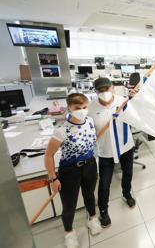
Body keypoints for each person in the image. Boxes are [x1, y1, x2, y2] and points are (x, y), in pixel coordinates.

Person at [44, 93, 101, 248]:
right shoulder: (61, 130)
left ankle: (93, 219)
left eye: (84, 107)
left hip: (90, 165)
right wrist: (53, 178)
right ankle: (69, 232)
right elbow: (48, 156)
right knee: (69, 204)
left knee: (89, 195)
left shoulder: (89, 121)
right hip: (70, 170)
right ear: (69, 107)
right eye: (77, 108)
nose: (82, 111)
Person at [88, 77, 136, 228]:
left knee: (128, 173)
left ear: (113, 88)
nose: (104, 93)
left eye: (107, 89)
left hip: (125, 146)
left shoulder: (123, 100)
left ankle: (127, 193)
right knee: (104, 183)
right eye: (100, 90)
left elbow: (138, 114)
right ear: (95, 92)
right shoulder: (90, 108)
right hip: (106, 151)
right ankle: (103, 210)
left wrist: (136, 99)